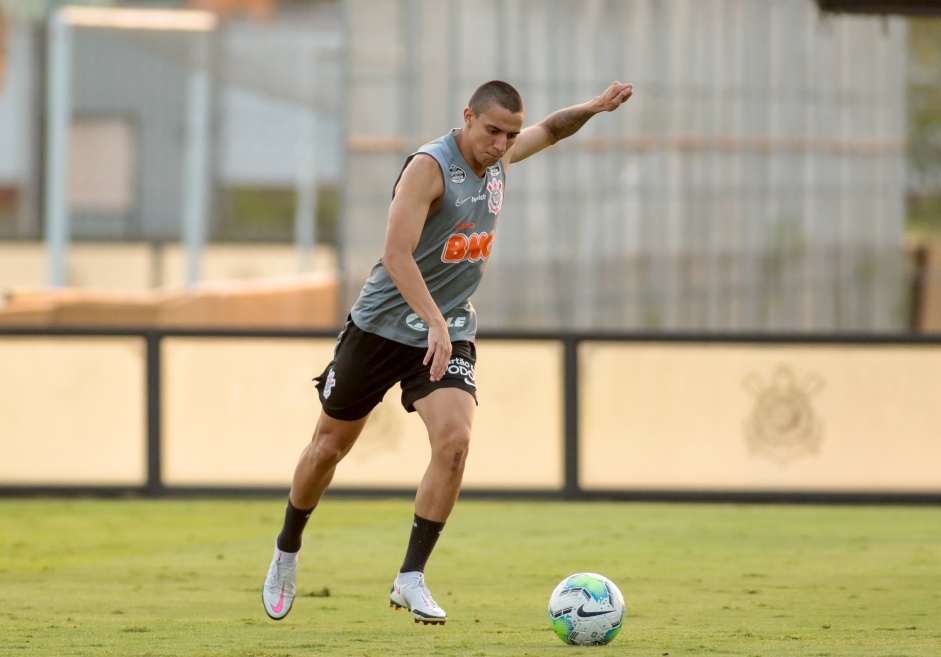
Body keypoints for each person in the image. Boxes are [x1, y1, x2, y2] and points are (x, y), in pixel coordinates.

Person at [262, 79, 634, 625]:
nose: (502, 144)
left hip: (449, 327)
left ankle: (410, 578)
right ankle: (286, 553)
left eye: (510, 134)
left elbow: (552, 129)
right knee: (326, 450)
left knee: (456, 442)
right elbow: (394, 252)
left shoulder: (500, 161)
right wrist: (431, 319)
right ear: (467, 118)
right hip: (382, 328)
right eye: (492, 132)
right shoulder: (429, 167)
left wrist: (595, 108)